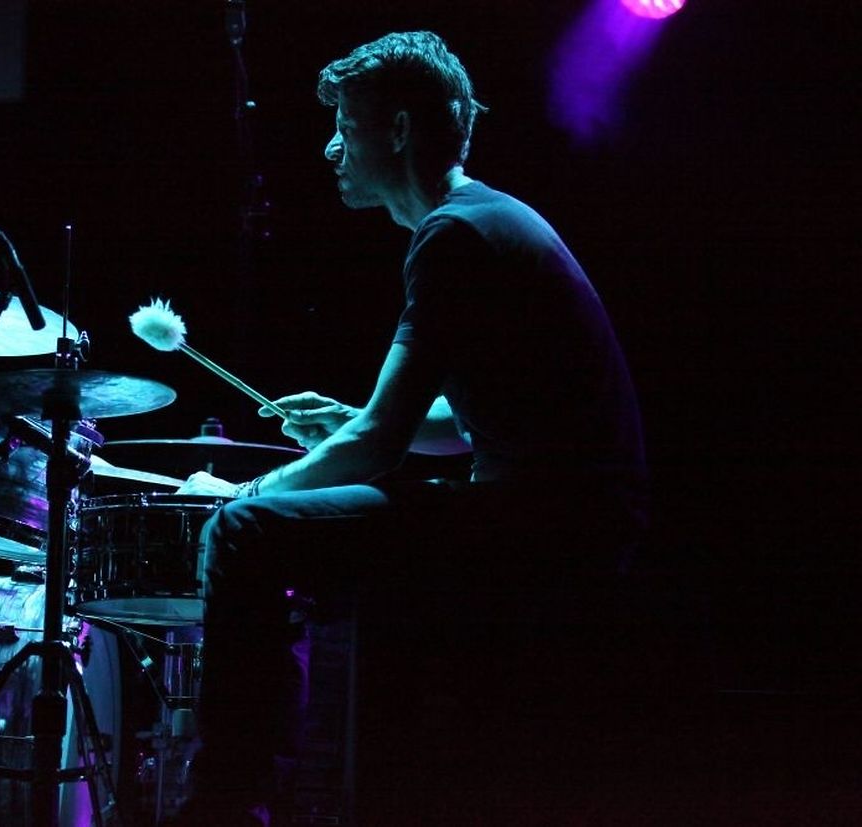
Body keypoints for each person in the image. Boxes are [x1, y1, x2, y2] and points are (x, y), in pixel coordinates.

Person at [171, 30, 648, 825]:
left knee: (245, 531)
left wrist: (244, 490)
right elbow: (465, 422)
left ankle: (226, 807)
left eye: (345, 127)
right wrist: (352, 418)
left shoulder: (453, 235)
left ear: (396, 130)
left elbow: (378, 444)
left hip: (546, 524)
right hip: (576, 517)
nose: (330, 149)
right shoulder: (486, 220)